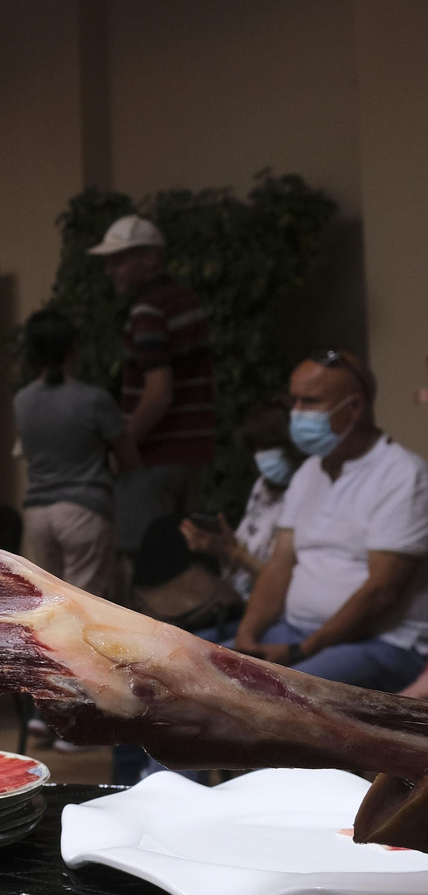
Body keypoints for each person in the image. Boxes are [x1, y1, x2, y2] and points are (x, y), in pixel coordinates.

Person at [232, 351, 428, 691]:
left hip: (379, 643)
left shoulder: (402, 475)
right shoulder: (309, 472)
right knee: (181, 666)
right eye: (294, 401)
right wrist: (246, 636)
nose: (297, 413)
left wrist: (300, 651)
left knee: (267, 695)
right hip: (293, 632)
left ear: (354, 407)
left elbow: (382, 593)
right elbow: (279, 564)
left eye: (310, 402)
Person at [89, 214, 216, 553]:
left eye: (119, 261)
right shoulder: (187, 303)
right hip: (194, 457)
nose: (110, 271)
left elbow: (159, 393)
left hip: (155, 460)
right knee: (186, 561)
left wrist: (124, 448)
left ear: (150, 258)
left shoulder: (148, 311)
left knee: (145, 562)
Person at [14, 309, 138, 599]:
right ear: (73, 349)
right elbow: (129, 457)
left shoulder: (21, 400)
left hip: (37, 512)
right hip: (84, 510)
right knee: (86, 604)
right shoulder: (94, 399)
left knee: (46, 602)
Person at [179, 402, 301, 617]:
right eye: (256, 448)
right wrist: (219, 546)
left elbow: (287, 582)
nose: (262, 456)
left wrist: (233, 551)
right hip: (235, 603)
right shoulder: (263, 487)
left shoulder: (308, 493)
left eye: (268, 447)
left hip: (274, 614)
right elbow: (244, 550)